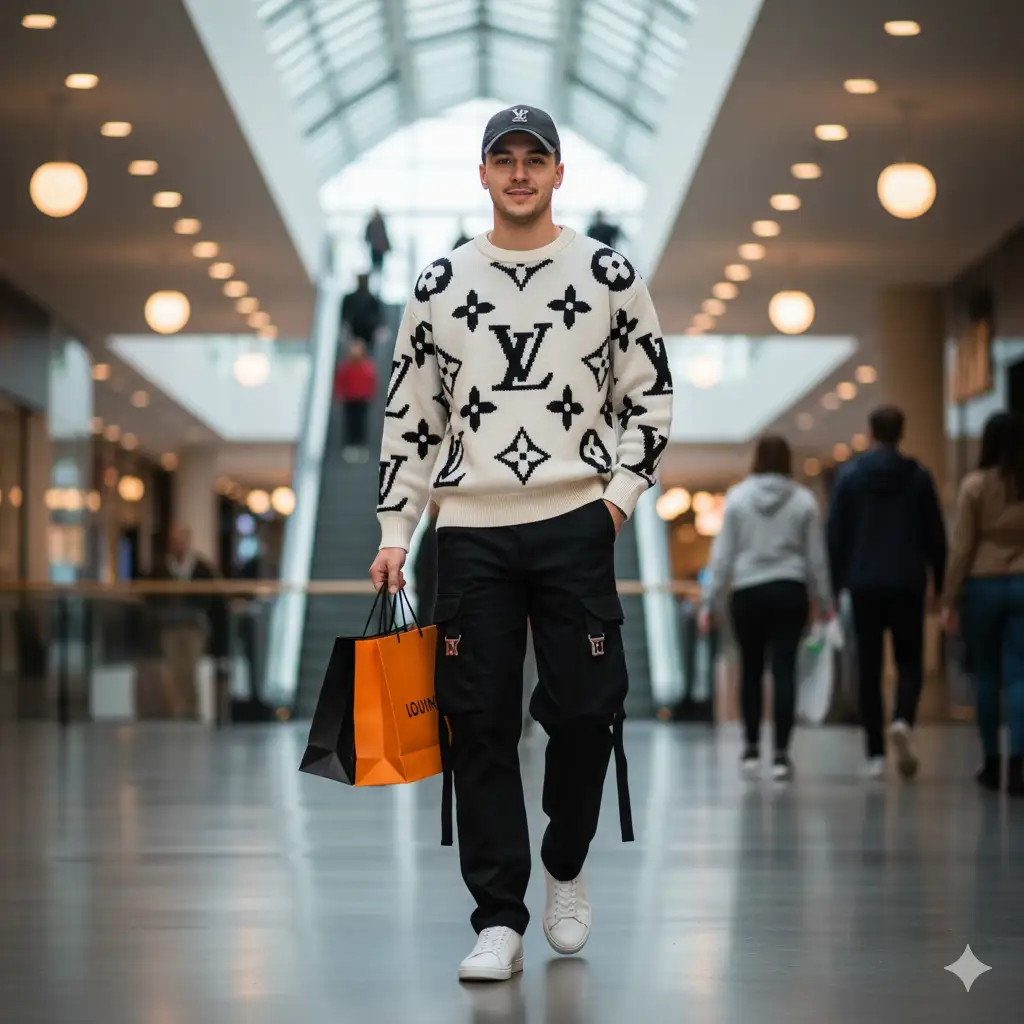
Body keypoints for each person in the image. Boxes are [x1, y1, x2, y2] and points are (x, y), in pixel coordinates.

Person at [368, 104, 673, 983]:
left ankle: (564, 862)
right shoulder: (439, 284)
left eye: (534, 158)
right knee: (477, 722)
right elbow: (411, 418)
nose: (519, 172)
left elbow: (649, 399)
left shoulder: (609, 275)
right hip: (469, 530)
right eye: (503, 158)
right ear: (483, 174)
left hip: (575, 521)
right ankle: (498, 916)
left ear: (558, 173)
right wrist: (398, 529)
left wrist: (613, 505)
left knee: (587, 709)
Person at [699, 435, 833, 782]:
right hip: (790, 589)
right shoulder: (804, 500)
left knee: (751, 669)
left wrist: (710, 600)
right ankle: (781, 756)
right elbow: (816, 558)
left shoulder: (738, 498)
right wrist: (823, 600)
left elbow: (723, 555)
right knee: (785, 669)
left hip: (747, 591)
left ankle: (751, 748)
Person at [827, 405, 947, 780]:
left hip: (863, 585)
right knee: (910, 662)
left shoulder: (849, 478)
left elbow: (835, 537)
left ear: (871, 432)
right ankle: (902, 720)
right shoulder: (919, 478)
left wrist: (835, 586)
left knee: (869, 667)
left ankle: (875, 755)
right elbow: (936, 537)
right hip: (907, 582)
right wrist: (938, 585)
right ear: (902, 432)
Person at [941, 411, 1024, 796]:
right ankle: (1019, 764)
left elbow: (961, 548)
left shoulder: (975, 485)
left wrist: (949, 598)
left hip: (984, 586)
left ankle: (991, 763)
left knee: (987, 676)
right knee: (1020, 675)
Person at [150, 524, 225, 718]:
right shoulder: (161, 568)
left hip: (193, 626)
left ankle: (192, 709)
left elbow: (212, 598)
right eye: (174, 541)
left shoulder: (201, 568)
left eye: (181, 541)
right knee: (174, 670)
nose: (178, 545)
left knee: (190, 668)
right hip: (170, 626)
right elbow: (152, 598)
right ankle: (178, 710)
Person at [333, 338, 377, 462]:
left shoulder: (366, 366)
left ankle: (361, 446)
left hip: (362, 399)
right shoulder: (346, 367)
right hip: (349, 398)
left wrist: (369, 395)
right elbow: (341, 381)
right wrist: (340, 394)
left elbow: (371, 381)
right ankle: (350, 446)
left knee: (361, 423)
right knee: (350, 422)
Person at [340, 273, 382, 353]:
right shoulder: (350, 298)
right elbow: (345, 317)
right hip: (353, 333)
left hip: (367, 335)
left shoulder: (373, 300)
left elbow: (378, 319)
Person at [364, 207, 391, 287]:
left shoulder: (377, 223)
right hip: (376, 248)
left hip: (378, 248)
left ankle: (378, 284)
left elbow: (384, 235)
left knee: (378, 267)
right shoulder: (374, 223)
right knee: (375, 267)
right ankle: (375, 284)